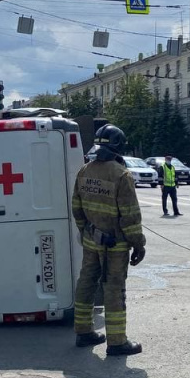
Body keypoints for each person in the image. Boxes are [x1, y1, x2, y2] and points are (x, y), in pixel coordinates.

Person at [70, 124, 145, 356]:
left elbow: (77, 207)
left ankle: (83, 332)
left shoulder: (84, 171)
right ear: (118, 146)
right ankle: (117, 341)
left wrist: (86, 232)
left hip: (92, 240)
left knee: (86, 283)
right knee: (114, 289)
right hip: (116, 245)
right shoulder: (121, 175)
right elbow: (130, 215)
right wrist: (138, 243)